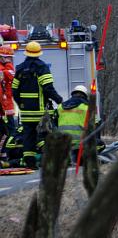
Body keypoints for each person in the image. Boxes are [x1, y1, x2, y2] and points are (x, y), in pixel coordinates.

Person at [11, 41, 62, 169]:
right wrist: (59, 100)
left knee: (29, 137)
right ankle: (50, 162)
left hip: (26, 112)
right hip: (40, 112)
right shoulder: (42, 67)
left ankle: (30, 163)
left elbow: (14, 90)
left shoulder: (20, 68)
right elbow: (48, 88)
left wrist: (21, 104)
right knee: (47, 135)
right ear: (39, 53)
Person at [56, 85, 90, 159]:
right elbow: (95, 125)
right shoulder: (87, 107)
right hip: (79, 144)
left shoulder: (60, 107)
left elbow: (55, 124)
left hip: (62, 143)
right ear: (85, 95)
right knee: (100, 144)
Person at [0, 45, 16, 156]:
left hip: (7, 105)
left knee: (7, 131)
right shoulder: (4, 68)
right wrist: (9, 65)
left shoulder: (4, 67)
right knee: (8, 131)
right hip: (4, 107)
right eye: (8, 57)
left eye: (10, 58)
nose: (10, 59)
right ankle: (5, 153)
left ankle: (5, 153)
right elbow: (12, 76)